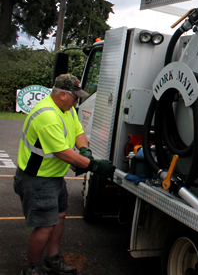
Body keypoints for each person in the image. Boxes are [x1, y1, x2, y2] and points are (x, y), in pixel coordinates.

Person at [13, 74, 115, 275]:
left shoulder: (66, 109)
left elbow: (78, 132)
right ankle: (31, 267)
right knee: (45, 224)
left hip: (53, 177)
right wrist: (93, 165)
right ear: (62, 94)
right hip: (38, 179)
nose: (77, 101)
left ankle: (53, 259)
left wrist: (85, 151)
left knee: (58, 217)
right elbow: (62, 152)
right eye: (75, 97)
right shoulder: (46, 115)